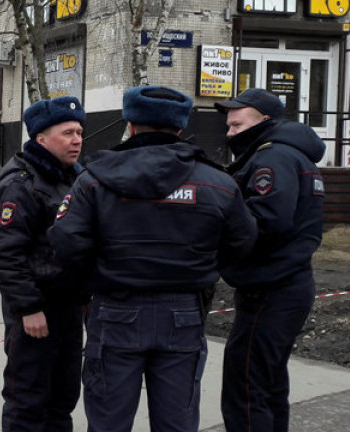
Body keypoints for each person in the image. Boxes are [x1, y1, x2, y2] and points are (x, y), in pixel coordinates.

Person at [47, 86, 257, 432]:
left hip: (115, 311)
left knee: (108, 422)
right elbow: (243, 242)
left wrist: (97, 275)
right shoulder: (218, 183)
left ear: (130, 124)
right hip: (183, 314)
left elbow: (67, 242)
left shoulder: (94, 180)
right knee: (177, 422)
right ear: (180, 127)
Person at [214, 88, 326, 431]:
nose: (230, 133)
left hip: (270, 288)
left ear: (264, 121)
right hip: (284, 283)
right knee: (269, 383)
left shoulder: (272, 158)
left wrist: (214, 228)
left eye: (237, 125)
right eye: (229, 127)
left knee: (246, 386)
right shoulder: (290, 155)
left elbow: (265, 221)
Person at [0, 96, 86, 432]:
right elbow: (4, 255)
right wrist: (29, 307)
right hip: (35, 313)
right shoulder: (21, 185)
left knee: (62, 399)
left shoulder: (74, 179)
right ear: (41, 138)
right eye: (67, 132)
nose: (77, 140)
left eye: (79, 132)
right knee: (27, 401)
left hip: (69, 309)